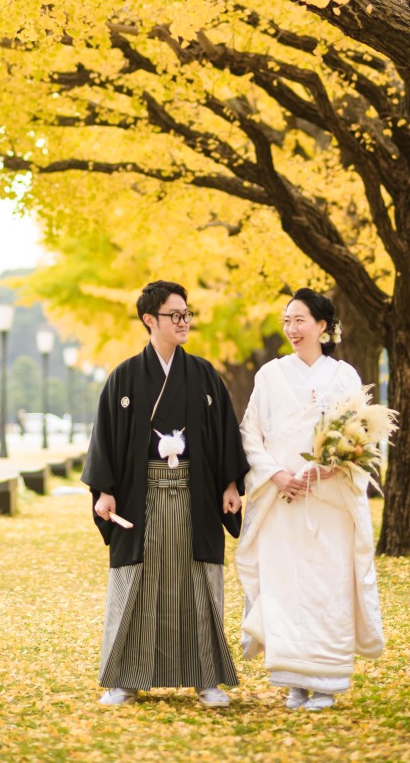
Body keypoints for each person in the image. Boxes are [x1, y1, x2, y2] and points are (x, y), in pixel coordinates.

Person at [82, 279, 249, 709]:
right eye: (175, 315)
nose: (184, 322)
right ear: (149, 320)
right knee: (135, 585)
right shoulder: (124, 376)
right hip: (142, 498)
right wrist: (104, 491)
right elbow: (106, 438)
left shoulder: (204, 374)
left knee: (198, 584)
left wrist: (230, 484)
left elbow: (224, 433)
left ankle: (206, 678)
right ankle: (124, 679)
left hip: (196, 498)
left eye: (187, 314)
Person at [236, 288, 384, 712]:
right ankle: (293, 681)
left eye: (299, 320)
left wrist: (329, 467)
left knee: (326, 587)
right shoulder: (270, 375)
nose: (291, 329)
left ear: (322, 325)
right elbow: (250, 433)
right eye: (287, 320)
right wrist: (277, 474)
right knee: (284, 587)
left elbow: (361, 435)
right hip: (282, 499)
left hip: (328, 499)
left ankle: (327, 681)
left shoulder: (345, 376)